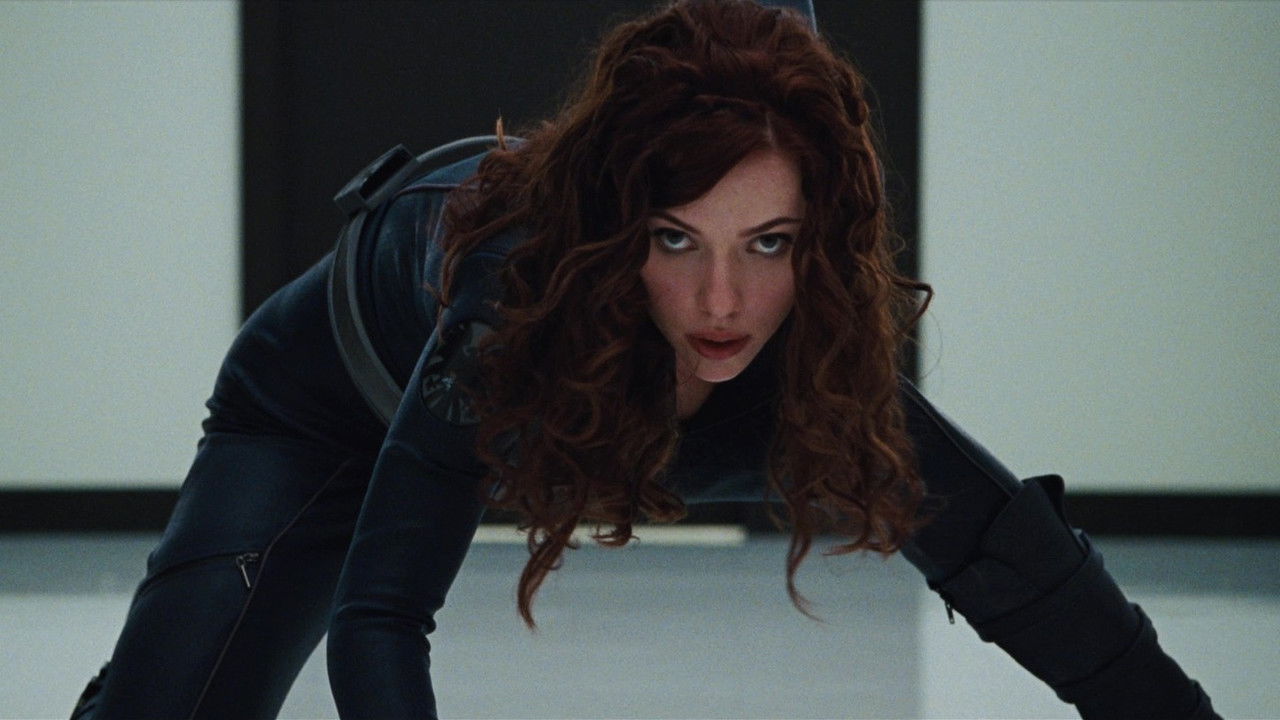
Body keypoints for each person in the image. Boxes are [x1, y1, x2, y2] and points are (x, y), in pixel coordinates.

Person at [71, 1, 1220, 718]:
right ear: (619, 228)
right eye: (675, 239)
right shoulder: (515, 298)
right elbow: (379, 620)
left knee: (962, 505)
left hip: (587, 410)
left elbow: (1023, 568)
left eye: (765, 244)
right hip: (328, 412)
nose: (722, 302)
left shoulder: (806, 334)